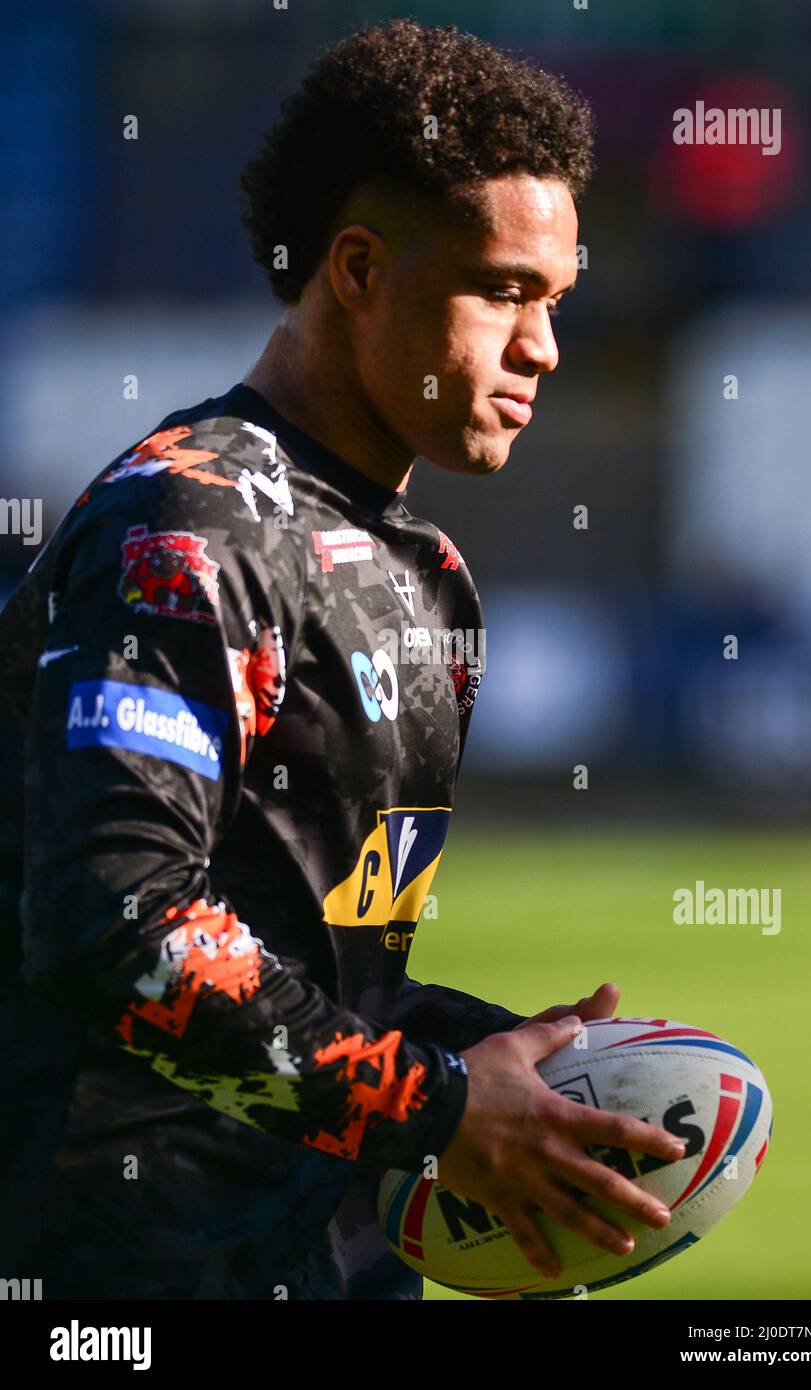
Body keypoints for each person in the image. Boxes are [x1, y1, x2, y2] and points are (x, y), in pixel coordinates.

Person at [0, 18, 684, 1301]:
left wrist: (497, 1068)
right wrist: (434, 1107)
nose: (540, 348)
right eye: (503, 290)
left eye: (557, 301)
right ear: (358, 269)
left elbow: (320, 969)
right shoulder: (188, 529)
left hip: (326, 1261)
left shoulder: (426, 576)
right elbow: (116, 919)